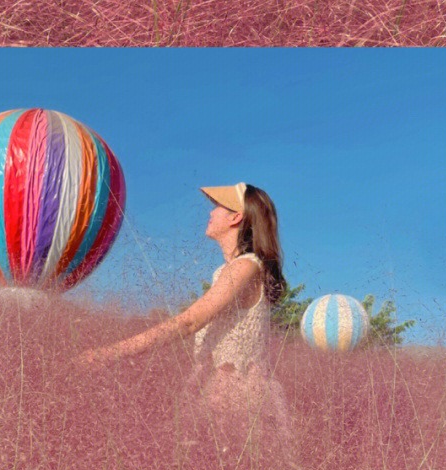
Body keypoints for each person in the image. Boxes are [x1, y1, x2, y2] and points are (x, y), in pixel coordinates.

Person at [78, 182, 291, 450]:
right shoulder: (229, 270)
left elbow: (190, 321)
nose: (211, 213)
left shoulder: (245, 267)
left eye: (218, 208)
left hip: (236, 396)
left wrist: (110, 353)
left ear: (236, 217)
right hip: (217, 387)